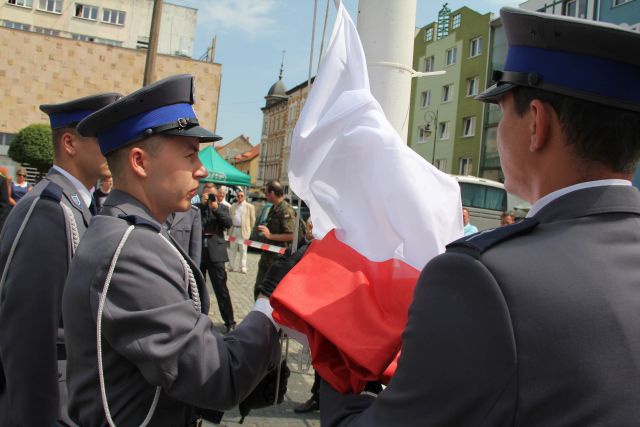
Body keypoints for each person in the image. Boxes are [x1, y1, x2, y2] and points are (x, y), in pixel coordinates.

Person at [319, 8, 640, 426]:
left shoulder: (485, 281)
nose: (499, 129)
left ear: (536, 124)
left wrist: (336, 363)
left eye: (504, 112)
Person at [62, 75, 281, 426]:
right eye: (190, 154)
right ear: (140, 161)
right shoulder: (131, 249)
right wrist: (271, 306)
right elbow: (215, 376)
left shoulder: (133, 233)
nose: (202, 168)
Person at [0, 92, 121, 426]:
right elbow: (29, 337)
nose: (115, 145)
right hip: (49, 404)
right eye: (103, 136)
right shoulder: (49, 212)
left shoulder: (77, 205)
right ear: (70, 142)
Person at [199, 185, 236, 333]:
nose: (210, 198)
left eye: (212, 195)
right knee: (198, 288)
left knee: (221, 289)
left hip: (216, 253)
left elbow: (228, 223)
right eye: (208, 195)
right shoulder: (198, 208)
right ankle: (198, 319)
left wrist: (215, 208)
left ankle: (230, 321)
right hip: (200, 253)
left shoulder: (222, 208)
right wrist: (202, 205)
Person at [253, 179, 296, 299]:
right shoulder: (274, 208)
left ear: (272, 193)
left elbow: (292, 235)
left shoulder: (286, 210)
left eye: (266, 193)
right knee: (259, 289)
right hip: (268, 257)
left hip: (278, 260)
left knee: (270, 293)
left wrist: (270, 235)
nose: (265, 196)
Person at [228, 188, 255, 274]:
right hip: (234, 229)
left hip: (243, 231)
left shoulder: (249, 206)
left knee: (243, 249)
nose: (240, 197)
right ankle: (231, 266)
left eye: (241, 196)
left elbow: (252, 220)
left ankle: (243, 267)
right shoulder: (232, 206)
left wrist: (249, 229)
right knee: (232, 249)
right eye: (238, 196)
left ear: (245, 197)